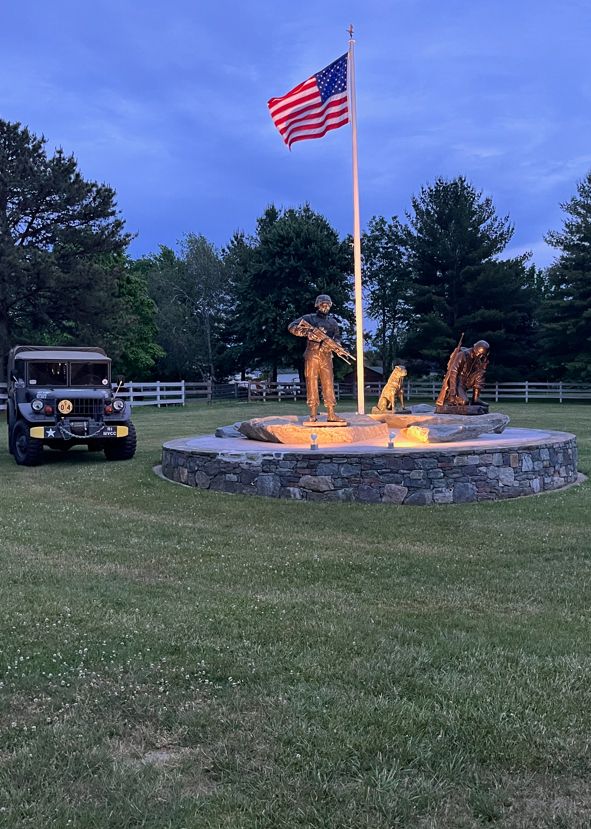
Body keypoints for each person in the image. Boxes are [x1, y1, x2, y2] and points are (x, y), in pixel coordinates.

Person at [288, 294, 345, 422]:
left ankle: (331, 413)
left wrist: (337, 346)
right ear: (317, 305)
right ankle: (313, 413)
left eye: (328, 304)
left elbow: (337, 337)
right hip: (312, 355)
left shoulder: (333, 322)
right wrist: (307, 333)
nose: (325, 307)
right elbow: (292, 326)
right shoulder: (309, 318)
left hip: (326, 356)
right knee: (311, 382)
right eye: (323, 304)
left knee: (328, 383)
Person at [436, 339, 490, 408]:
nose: (480, 356)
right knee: (464, 402)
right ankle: (452, 400)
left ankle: (475, 399)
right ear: (475, 349)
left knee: (481, 372)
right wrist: (453, 390)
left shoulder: (478, 359)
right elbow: (453, 372)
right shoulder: (463, 355)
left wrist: (483, 366)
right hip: (458, 382)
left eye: (482, 355)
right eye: (479, 353)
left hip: (467, 380)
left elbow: (478, 375)